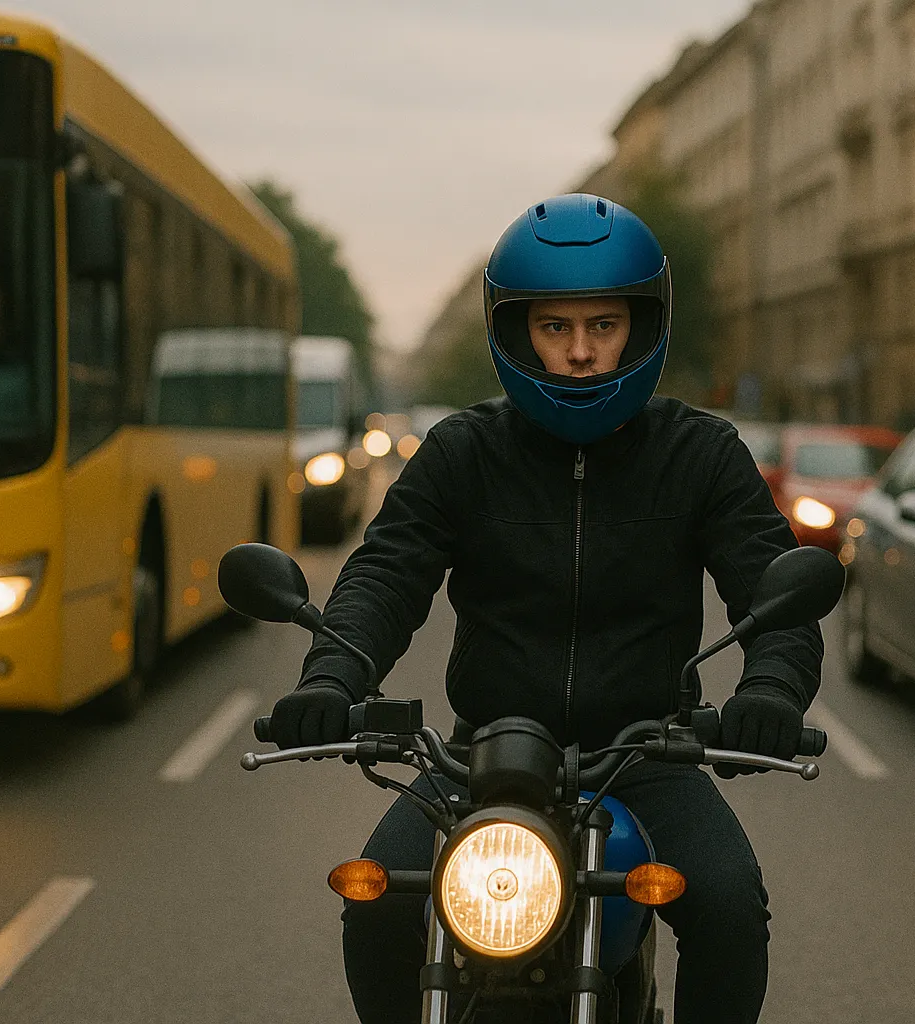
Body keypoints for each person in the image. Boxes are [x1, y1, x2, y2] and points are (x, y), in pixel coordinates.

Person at [267, 193, 823, 1023]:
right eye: (555, 329)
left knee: (731, 906)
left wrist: (771, 693)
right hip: (479, 762)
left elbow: (776, 587)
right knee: (378, 900)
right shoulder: (464, 450)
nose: (581, 354)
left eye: (603, 326)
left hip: (646, 756)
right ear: (514, 331)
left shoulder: (700, 453)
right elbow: (385, 572)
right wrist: (332, 673)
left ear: (642, 325)